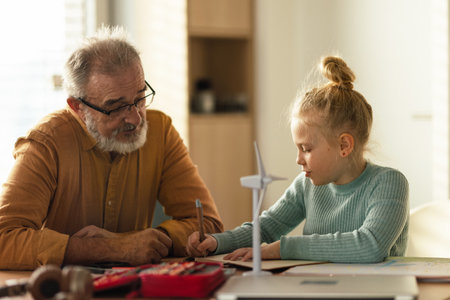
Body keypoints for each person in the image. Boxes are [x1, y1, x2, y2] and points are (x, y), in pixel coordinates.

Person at [0, 25, 223, 270]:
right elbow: (4, 238)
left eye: (140, 99)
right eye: (116, 107)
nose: (136, 119)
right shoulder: (46, 143)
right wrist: (112, 248)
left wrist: (148, 242)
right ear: (77, 107)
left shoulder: (161, 131)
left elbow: (208, 224)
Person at [186, 56, 409, 263]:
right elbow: (266, 227)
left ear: (344, 146)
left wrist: (279, 249)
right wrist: (217, 242)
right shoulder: (306, 185)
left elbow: (370, 246)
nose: (298, 160)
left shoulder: (389, 183)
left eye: (306, 149)